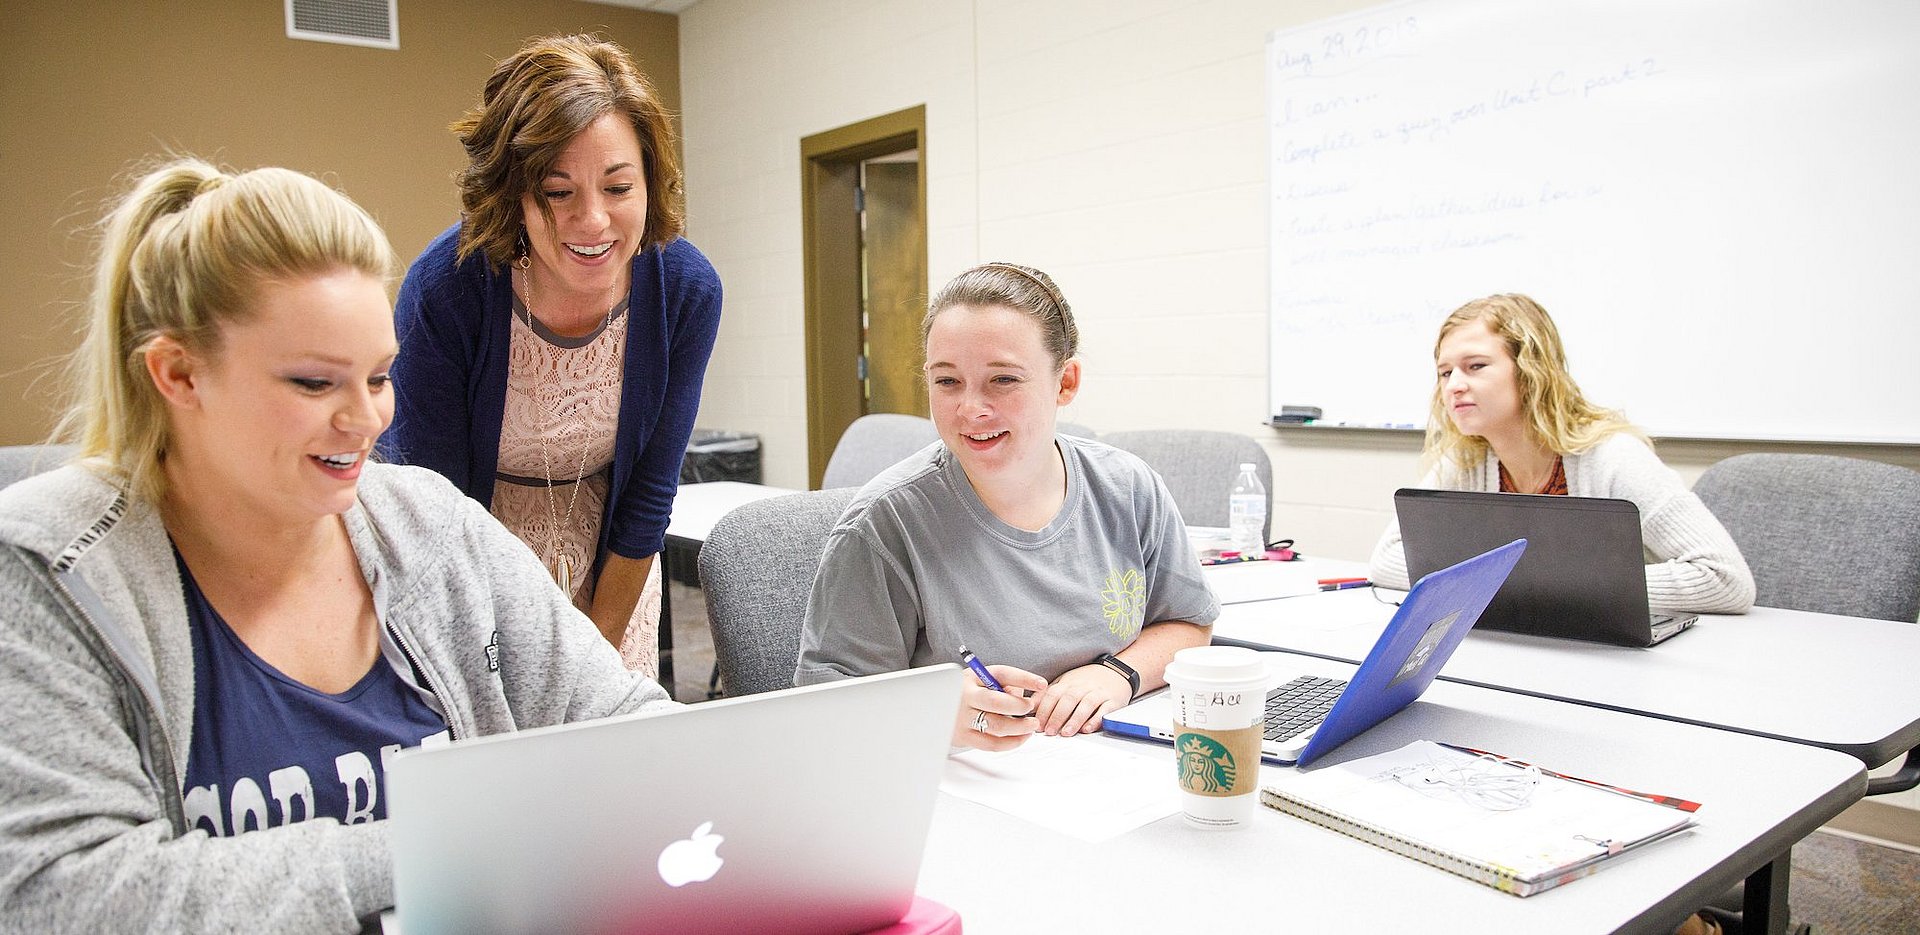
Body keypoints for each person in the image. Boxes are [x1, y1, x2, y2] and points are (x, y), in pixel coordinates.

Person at [0, 157, 674, 931]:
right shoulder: (49, 571)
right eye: (316, 384)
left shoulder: (429, 526)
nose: (366, 421)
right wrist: (442, 845)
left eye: (380, 377)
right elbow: (62, 896)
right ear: (178, 375)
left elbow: (626, 726)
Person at [385, 34, 722, 673]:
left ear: (651, 183)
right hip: (466, 567)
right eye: (557, 191)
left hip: (613, 564)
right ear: (512, 192)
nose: (593, 220)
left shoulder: (685, 292)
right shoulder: (446, 292)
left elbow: (649, 495)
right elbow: (432, 520)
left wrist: (591, 656)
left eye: (619, 187)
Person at [793, 262, 1220, 751]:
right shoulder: (886, 526)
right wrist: (930, 714)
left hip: (1107, 771)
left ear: (1065, 382)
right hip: (968, 788)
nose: (971, 408)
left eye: (1003, 380)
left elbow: (1189, 623)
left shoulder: (1127, 488)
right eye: (947, 382)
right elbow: (825, 708)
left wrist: (1117, 674)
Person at [1368, 293, 1754, 612]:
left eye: (1476, 366)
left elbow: (1726, 579)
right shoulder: (1466, 459)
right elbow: (1386, 562)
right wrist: (1520, 583)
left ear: (1531, 370)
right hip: (1535, 641)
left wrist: (1542, 584)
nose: (1454, 386)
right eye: (1445, 372)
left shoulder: (1611, 457)